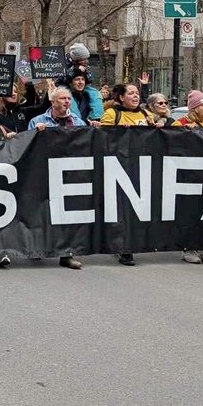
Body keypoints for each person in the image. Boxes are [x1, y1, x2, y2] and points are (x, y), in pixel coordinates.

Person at [27, 87, 87, 270]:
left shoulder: (77, 121)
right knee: (43, 212)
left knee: (66, 214)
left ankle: (67, 254)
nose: (67, 101)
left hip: (69, 173)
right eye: (62, 98)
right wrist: (35, 133)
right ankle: (38, 247)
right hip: (44, 172)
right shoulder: (37, 121)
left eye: (69, 98)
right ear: (52, 102)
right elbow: (26, 145)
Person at [95, 83, 150, 266]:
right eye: (131, 93)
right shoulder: (112, 114)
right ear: (121, 97)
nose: (136, 96)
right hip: (119, 168)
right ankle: (124, 248)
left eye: (137, 93)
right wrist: (119, 133)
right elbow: (102, 138)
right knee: (122, 210)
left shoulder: (145, 114)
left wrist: (158, 126)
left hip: (141, 168)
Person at [174, 90, 203, 264]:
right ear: (194, 108)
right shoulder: (181, 123)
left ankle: (201, 244)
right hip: (187, 175)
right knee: (189, 212)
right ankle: (188, 247)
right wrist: (185, 133)